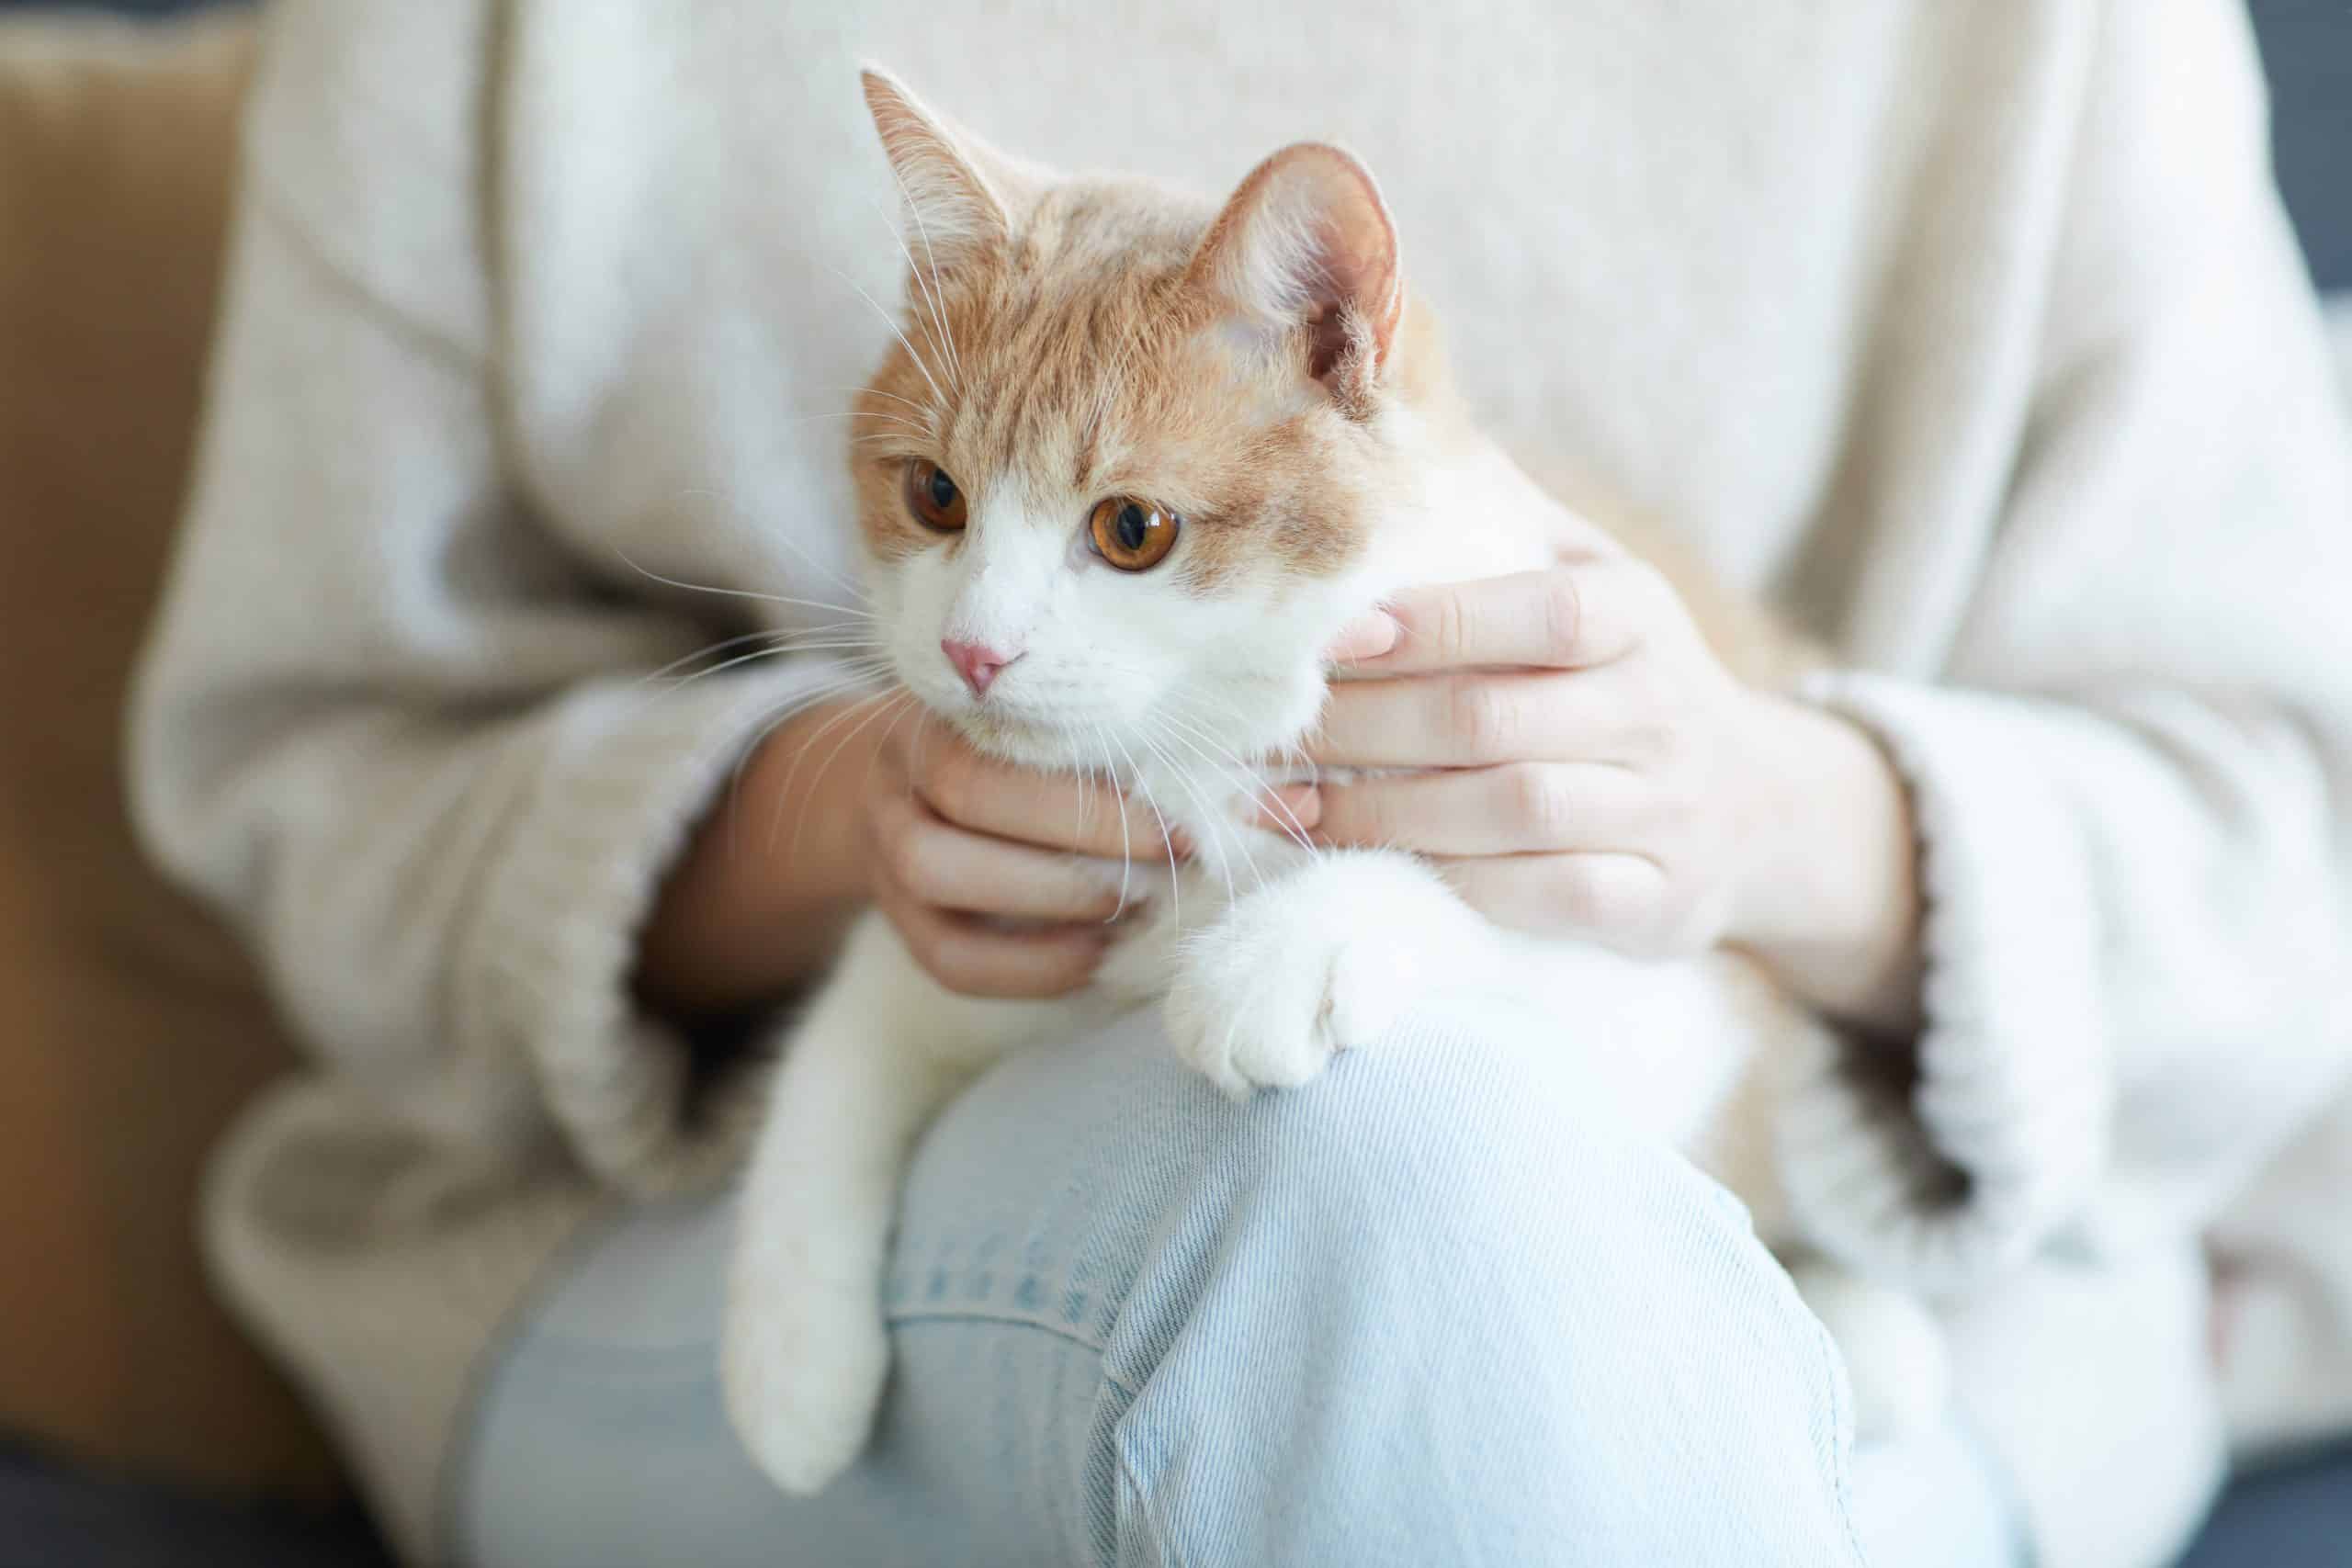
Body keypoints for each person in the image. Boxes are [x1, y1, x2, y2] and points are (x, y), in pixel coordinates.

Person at [128, 2, 2352, 1564]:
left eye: (1116, 530)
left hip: (1878, 1258)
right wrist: (807, 826)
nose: (983, 620)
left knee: (1422, 1170)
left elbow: (2286, 845)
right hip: (681, 1249)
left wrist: (1778, 824)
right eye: (934, 508)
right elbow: (307, 769)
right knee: (1380, 1167)